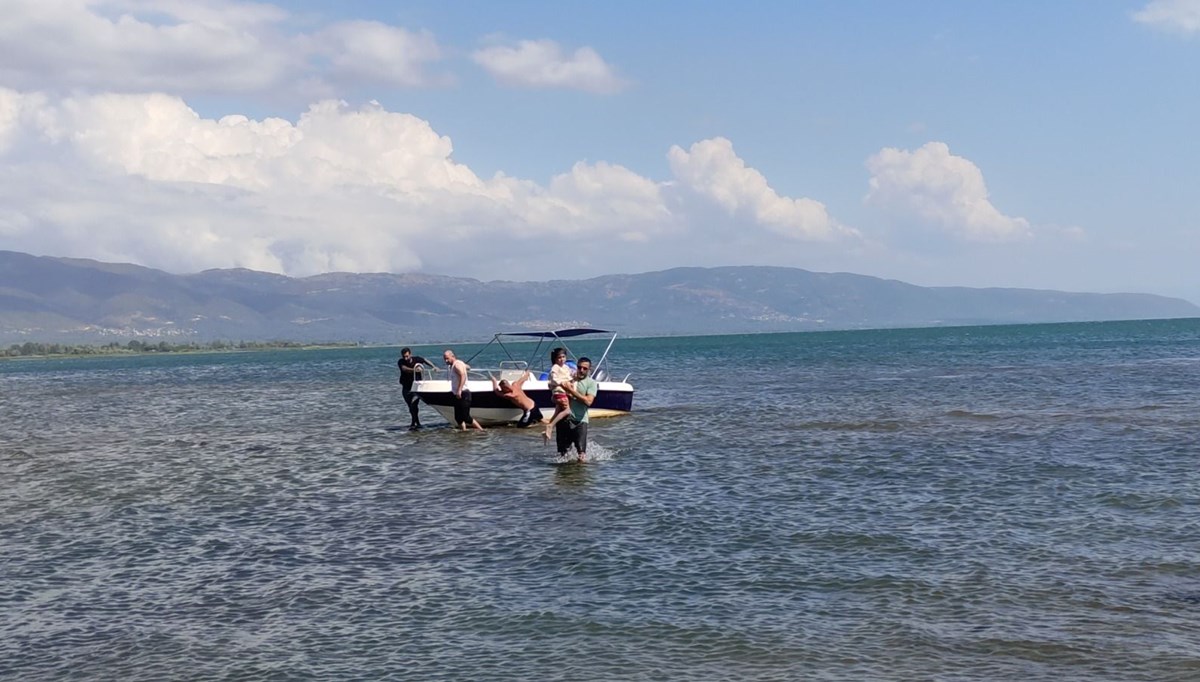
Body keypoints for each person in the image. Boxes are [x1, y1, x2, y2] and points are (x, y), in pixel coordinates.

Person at [555, 356, 598, 462]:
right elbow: (555, 395)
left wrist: (571, 391)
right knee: (563, 455)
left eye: (585, 368)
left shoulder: (591, 383)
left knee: (581, 455)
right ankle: (564, 477)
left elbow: (588, 401)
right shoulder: (568, 380)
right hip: (564, 420)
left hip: (580, 421)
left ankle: (579, 478)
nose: (581, 370)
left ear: (589, 370)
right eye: (579, 367)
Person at [443, 349, 483, 431]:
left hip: (463, 393)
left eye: (447, 358)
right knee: (458, 418)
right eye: (445, 359)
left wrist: (459, 390)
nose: (446, 361)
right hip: (456, 394)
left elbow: (463, 376)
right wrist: (465, 366)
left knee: (466, 417)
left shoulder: (457, 365)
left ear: (453, 356)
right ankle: (463, 432)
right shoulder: (456, 364)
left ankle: (481, 430)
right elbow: (468, 367)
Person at [542, 347, 576, 442]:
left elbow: (569, 376)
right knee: (567, 410)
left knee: (557, 412)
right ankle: (550, 426)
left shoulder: (565, 367)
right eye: (559, 358)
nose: (562, 359)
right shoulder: (555, 367)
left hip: (564, 391)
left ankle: (547, 430)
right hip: (559, 391)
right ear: (555, 359)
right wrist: (561, 383)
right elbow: (554, 378)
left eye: (563, 357)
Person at [397, 347, 431, 430]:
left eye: (407, 356)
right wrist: (415, 370)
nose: (406, 358)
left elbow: (425, 360)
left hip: (416, 388)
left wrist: (433, 366)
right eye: (404, 356)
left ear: (410, 354)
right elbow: (404, 369)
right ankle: (416, 422)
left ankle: (414, 423)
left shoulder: (417, 359)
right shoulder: (401, 362)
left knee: (414, 405)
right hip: (406, 388)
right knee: (410, 406)